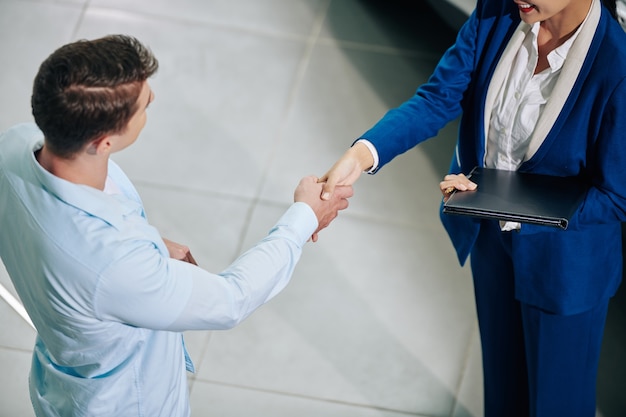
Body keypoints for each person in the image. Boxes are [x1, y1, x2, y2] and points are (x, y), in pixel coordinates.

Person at [0, 34, 353, 417]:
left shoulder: (14, 146)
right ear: (103, 142)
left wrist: (148, 244)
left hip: (63, 382)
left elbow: (57, 232)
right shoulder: (114, 266)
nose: (152, 100)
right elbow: (230, 300)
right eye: (143, 105)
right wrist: (304, 216)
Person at [319, 0, 625, 416]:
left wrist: (504, 202)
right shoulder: (499, 11)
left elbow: (615, 196)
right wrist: (361, 154)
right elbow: (437, 99)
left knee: (558, 406)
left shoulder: (617, 64)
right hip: (490, 243)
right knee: (501, 395)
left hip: (564, 270)